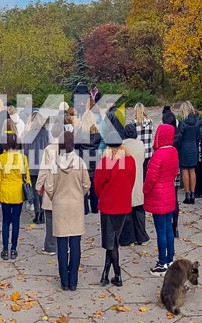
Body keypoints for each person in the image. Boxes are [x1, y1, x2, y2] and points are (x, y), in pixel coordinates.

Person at [45, 131, 89, 291]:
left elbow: (48, 187)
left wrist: (55, 197)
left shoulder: (54, 164)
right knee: (75, 243)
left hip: (60, 205)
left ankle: (64, 280)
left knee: (62, 244)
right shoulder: (80, 163)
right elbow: (86, 184)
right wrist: (79, 195)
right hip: (76, 205)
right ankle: (73, 280)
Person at [94, 127, 134, 287]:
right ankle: (105, 274)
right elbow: (131, 180)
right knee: (113, 241)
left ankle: (117, 274)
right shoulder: (129, 160)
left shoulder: (106, 162)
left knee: (110, 243)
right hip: (124, 204)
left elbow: (97, 184)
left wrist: (103, 195)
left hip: (109, 205)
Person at [143, 122, 179, 273]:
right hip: (169, 192)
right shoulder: (174, 151)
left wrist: (144, 190)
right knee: (169, 228)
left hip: (158, 195)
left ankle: (162, 262)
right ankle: (170, 259)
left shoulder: (157, 155)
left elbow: (150, 178)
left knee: (160, 231)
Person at [0, 132, 31, 260]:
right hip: (18, 193)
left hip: (5, 192)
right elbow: (27, 176)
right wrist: (29, 193)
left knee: (5, 221)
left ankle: (5, 249)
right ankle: (14, 249)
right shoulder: (23, 158)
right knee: (16, 221)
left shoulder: (1, 158)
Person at [119, 122, 149, 246]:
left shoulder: (121, 147)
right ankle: (141, 236)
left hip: (126, 181)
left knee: (127, 212)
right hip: (138, 180)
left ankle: (128, 238)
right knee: (139, 209)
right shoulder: (141, 145)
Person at [34, 122, 59, 255]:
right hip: (64, 187)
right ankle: (63, 244)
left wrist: (39, 185)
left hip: (51, 185)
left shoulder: (49, 149)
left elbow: (44, 169)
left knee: (49, 219)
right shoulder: (68, 148)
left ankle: (50, 245)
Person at [24, 112, 51, 227]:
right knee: (43, 189)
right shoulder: (46, 134)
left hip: (32, 164)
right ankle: (43, 211)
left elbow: (25, 151)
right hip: (43, 164)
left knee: (35, 189)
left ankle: (37, 213)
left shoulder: (28, 134)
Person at [175, 102, 202, 204]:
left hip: (184, 147)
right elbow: (198, 136)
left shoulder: (182, 123)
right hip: (193, 147)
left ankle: (187, 195)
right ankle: (193, 194)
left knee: (184, 171)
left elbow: (179, 137)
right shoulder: (197, 122)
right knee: (192, 170)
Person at [76, 111, 102, 214]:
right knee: (94, 186)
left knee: (84, 185)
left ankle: (85, 209)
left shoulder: (80, 133)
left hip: (84, 160)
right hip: (95, 159)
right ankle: (95, 208)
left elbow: (76, 145)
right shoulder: (98, 133)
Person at [131, 104, 154, 173]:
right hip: (148, 152)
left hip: (138, 152)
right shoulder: (150, 122)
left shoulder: (133, 124)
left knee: (138, 174)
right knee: (146, 172)